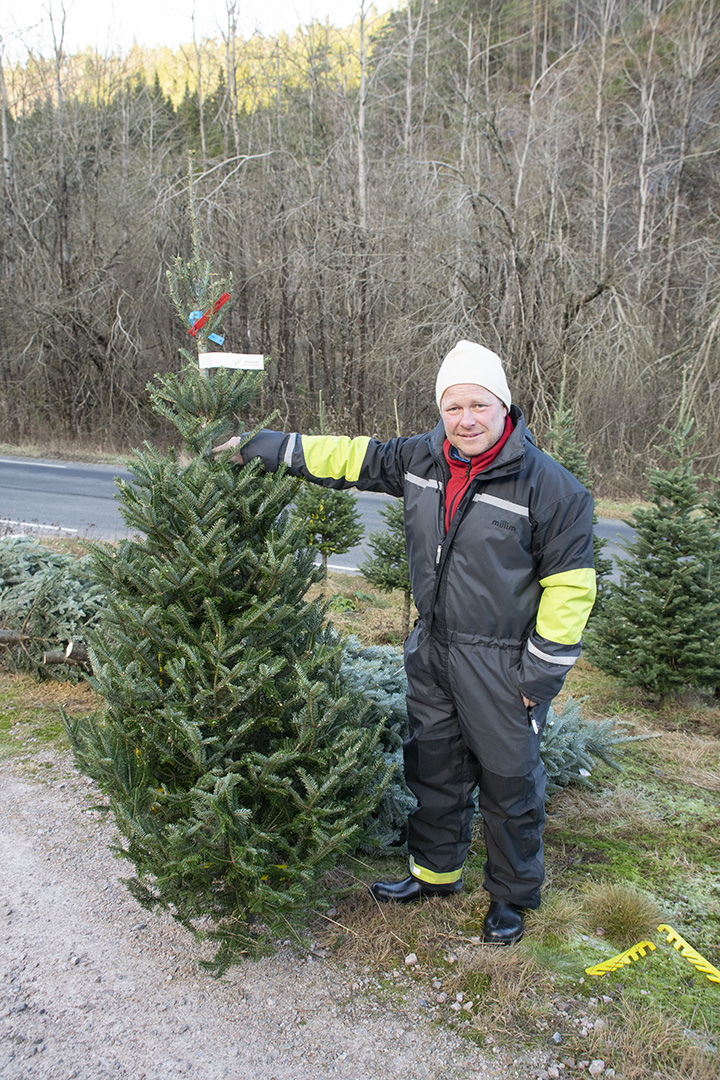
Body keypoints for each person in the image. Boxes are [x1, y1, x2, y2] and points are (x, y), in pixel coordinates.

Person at [216, 340, 596, 945]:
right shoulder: (422, 457)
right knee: (434, 765)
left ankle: (512, 897)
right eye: (453, 407)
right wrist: (264, 447)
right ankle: (434, 875)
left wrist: (538, 677)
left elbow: (571, 589)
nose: (465, 420)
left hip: (501, 662)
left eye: (478, 405)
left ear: (503, 405)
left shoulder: (551, 488)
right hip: (433, 648)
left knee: (510, 783)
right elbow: (349, 457)